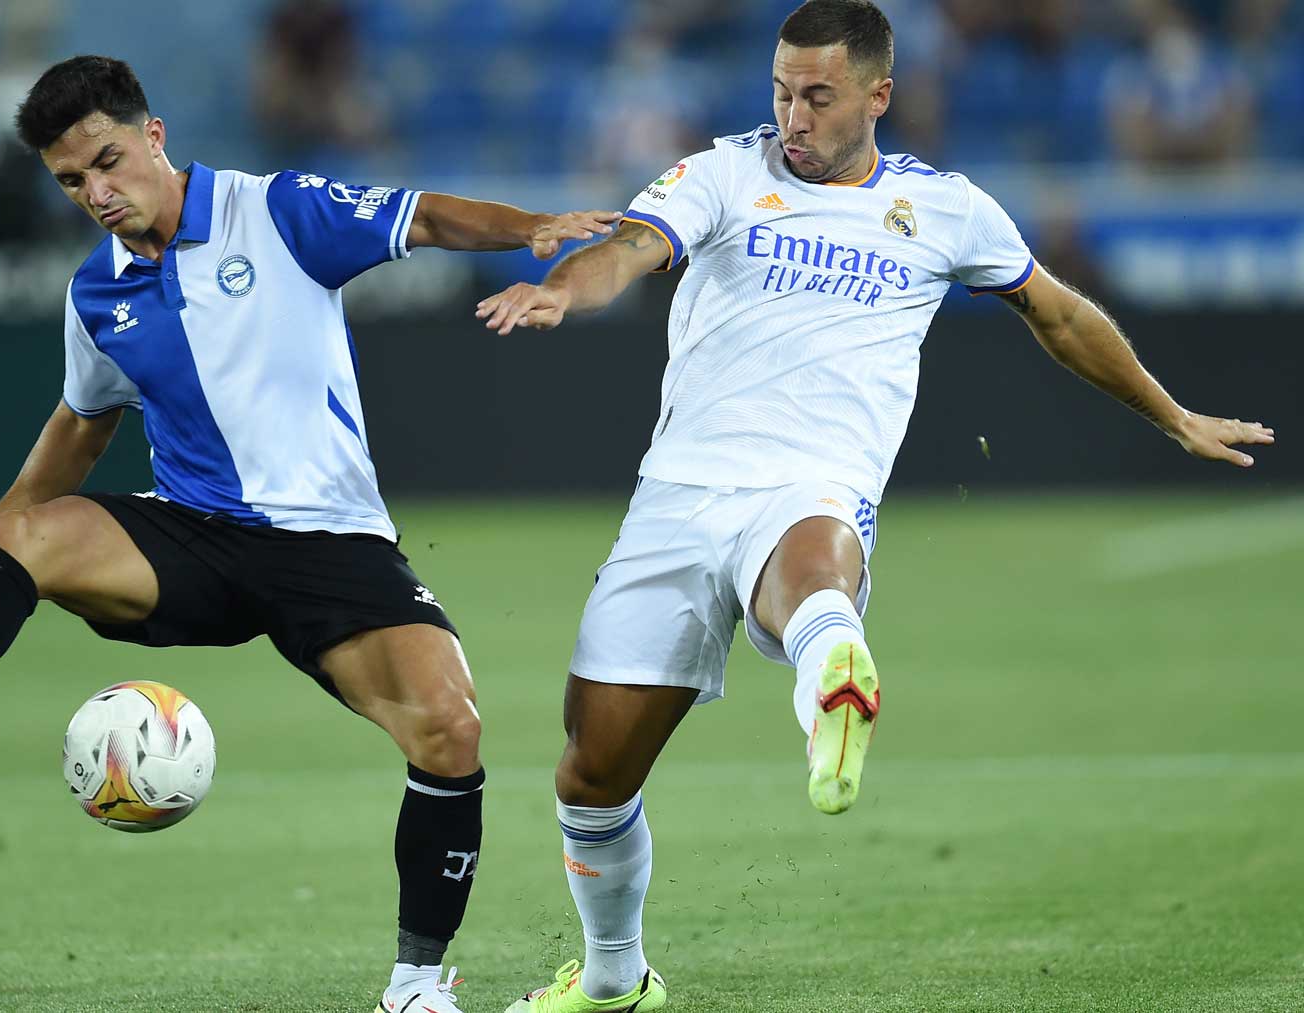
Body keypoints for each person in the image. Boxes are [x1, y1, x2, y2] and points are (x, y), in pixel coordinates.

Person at [475, 2, 1275, 1009]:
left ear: (878, 96)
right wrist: (565, 287)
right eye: (780, 92)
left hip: (812, 484)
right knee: (590, 771)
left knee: (812, 575)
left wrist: (1171, 415)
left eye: (817, 96)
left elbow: (1059, 313)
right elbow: (632, 247)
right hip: (678, 496)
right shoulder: (725, 172)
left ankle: (834, 667)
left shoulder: (945, 209)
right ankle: (613, 976)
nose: (792, 117)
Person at [0, 55, 617, 1013]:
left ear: (154, 136)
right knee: (33, 533)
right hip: (193, 538)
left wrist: (527, 230)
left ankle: (413, 987)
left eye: (108, 162)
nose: (97, 193)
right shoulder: (97, 294)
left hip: (332, 546)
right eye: (72, 182)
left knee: (449, 728)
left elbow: (423, 215)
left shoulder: (273, 211)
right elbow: (81, 424)